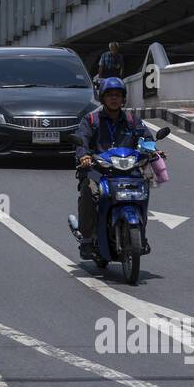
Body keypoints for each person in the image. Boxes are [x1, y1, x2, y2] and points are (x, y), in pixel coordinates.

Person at [72, 77, 148, 260]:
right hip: (99, 170)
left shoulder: (131, 120)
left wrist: (154, 150)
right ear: (102, 98)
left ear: (123, 99)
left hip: (127, 171)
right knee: (89, 191)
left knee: (143, 189)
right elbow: (81, 140)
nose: (114, 99)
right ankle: (88, 239)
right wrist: (84, 156)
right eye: (110, 95)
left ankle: (141, 234)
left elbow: (146, 138)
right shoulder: (91, 119)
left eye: (118, 95)